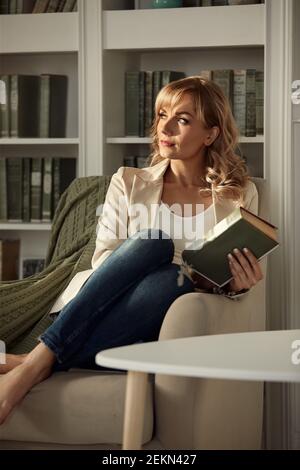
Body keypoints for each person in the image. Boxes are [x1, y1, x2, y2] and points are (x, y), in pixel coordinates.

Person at [0, 76, 263, 425]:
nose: (165, 127)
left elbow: (233, 271)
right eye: (161, 114)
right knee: (152, 242)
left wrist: (239, 284)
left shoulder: (238, 194)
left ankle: (32, 362)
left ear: (211, 134)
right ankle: (39, 363)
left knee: (174, 278)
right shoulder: (128, 181)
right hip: (103, 311)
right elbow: (104, 260)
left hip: (171, 324)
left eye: (182, 120)